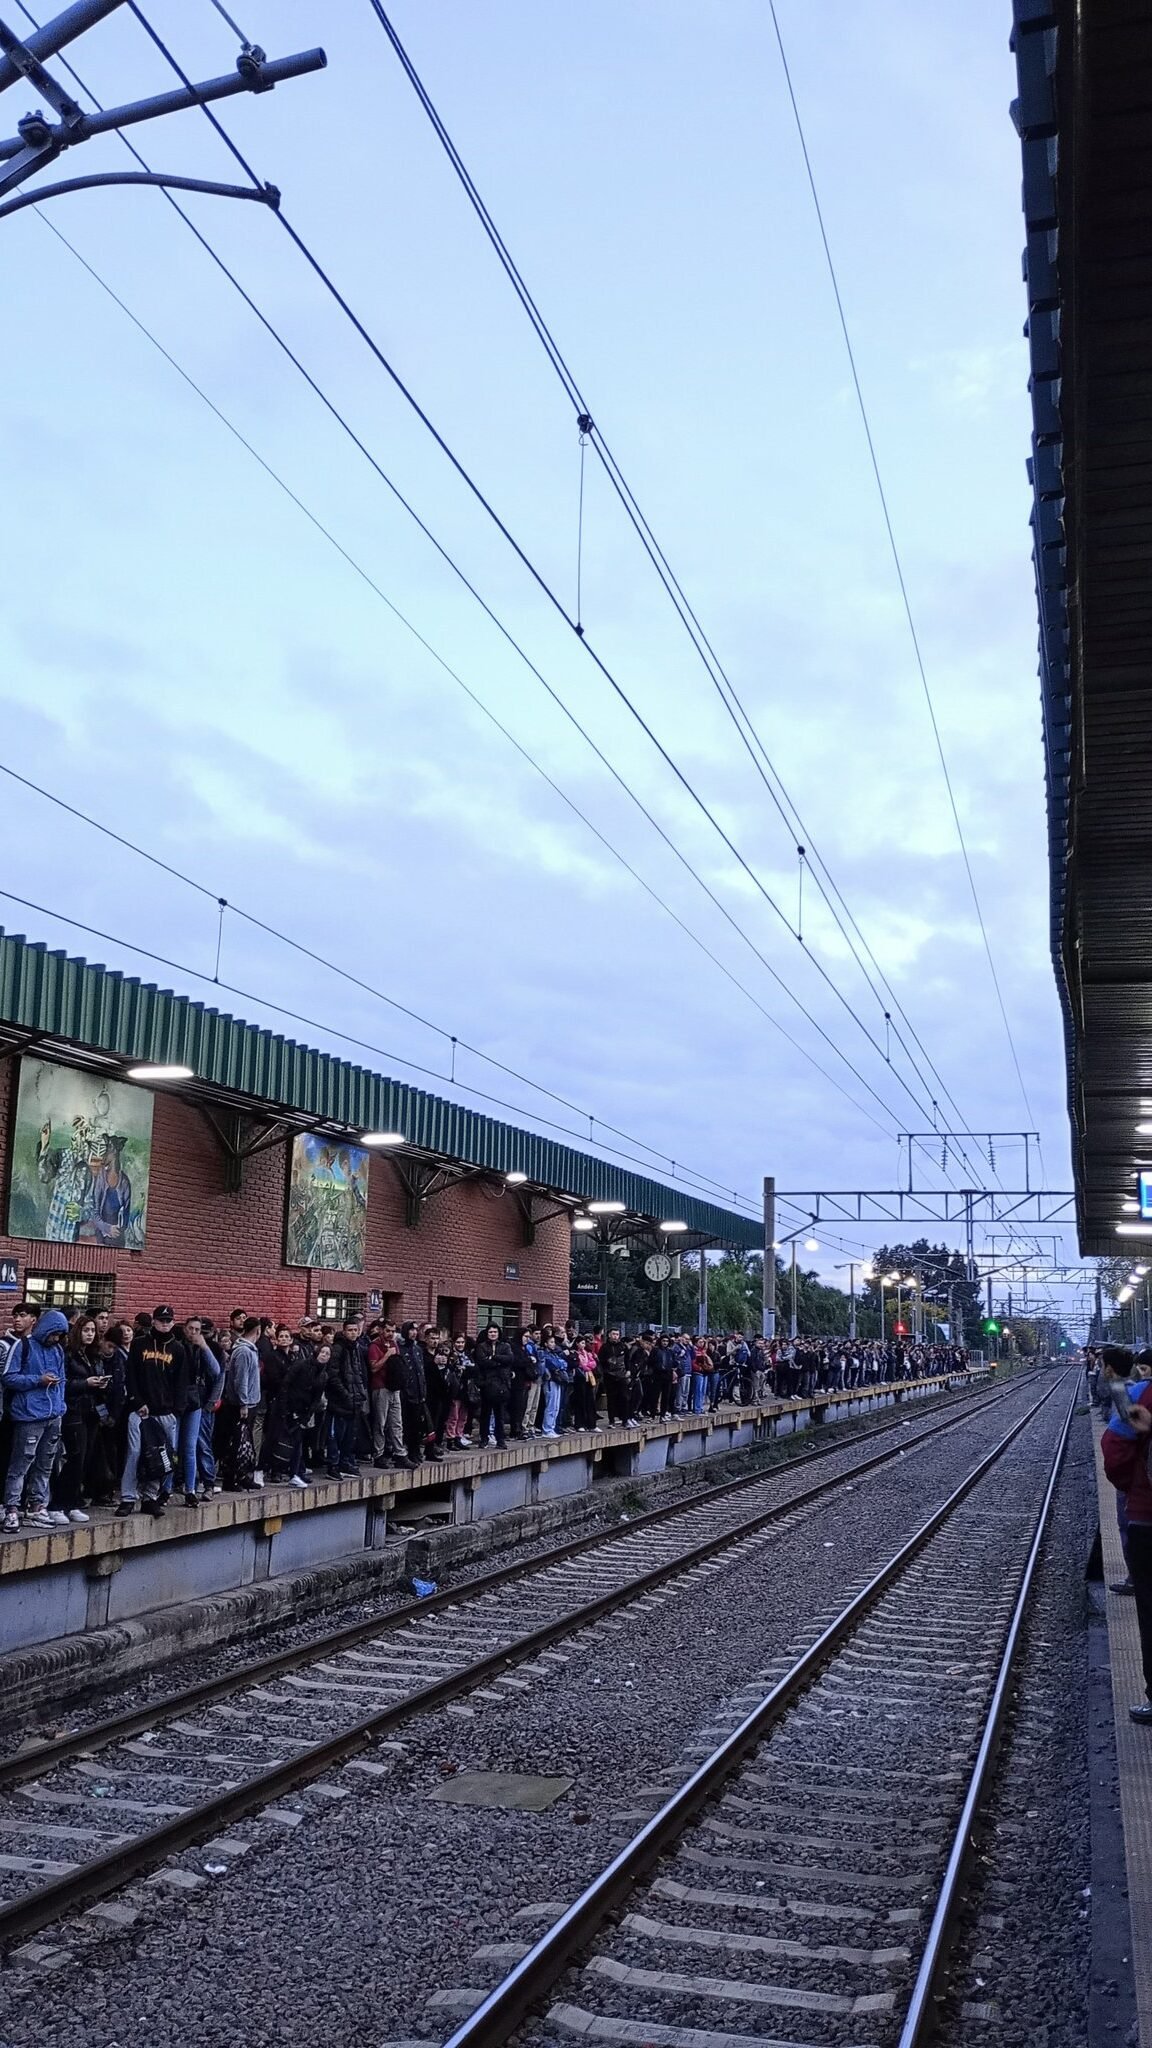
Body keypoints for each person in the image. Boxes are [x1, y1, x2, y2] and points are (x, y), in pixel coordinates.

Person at [118, 1306, 191, 1517]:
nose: (165, 1324)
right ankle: (128, 1497)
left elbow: (181, 1382)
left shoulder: (178, 1348)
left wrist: (177, 1409)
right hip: (140, 1411)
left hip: (165, 1412)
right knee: (134, 1453)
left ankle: (150, 1497)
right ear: (154, 1321)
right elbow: (131, 1375)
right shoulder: (140, 1344)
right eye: (161, 1320)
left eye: (168, 1320)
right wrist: (137, 1401)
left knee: (161, 1457)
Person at [1, 1308, 69, 1531]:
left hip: (53, 1415)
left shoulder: (58, 1350)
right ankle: (11, 1508)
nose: (56, 1338)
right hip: (30, 1416)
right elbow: (9, 1377)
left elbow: (63, 1379)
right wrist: (37, 1380)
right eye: (54, 1334)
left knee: (45, 1464)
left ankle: (36, 1506)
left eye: (60, 1335)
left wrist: (60, 1406)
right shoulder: (24, 1345)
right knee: (20, 1464)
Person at [53, 1316, 104, 1521]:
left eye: (92, 1330)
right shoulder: (69, 1354)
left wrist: (100, 1384)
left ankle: (73, 1502)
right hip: (73, 1411)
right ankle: (57, 1504)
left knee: (84, 1459)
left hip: (90, 1411)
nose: (90, 1334)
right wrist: (86, 1383)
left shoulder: (91, 1355)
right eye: (86, 1330)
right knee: (74, 1458)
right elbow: (64, 1383)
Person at [217, 1315, 262, 1491]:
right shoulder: (244, 1351)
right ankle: (232, 1478)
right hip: (242, 1405)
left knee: (245, 1443)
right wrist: (243, 1403)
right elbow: (240, 1379)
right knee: (237, 1443)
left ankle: (243, 1475)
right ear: (258, 1331)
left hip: (250, 1402)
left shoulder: (249, 1350)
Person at [326, 1316, 369, 1476]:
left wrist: (360, 1393)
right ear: (344, 1331)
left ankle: (346, 1462)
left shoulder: (356, 1348)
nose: (353, 1333)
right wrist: (346, 1394)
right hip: (340, 1400)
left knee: (350, 1435)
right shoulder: (338, 1348)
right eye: (350, 1330)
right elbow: (333, 1375)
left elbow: (359, 1372)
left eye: (355, 1330)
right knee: (336, 1435)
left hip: (355, 1399)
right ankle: (333, 1466)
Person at [473, 1323, 513, 1449]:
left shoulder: (505, 1346)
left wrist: (494, 1357)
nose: (493, 1334)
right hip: (487, 1383)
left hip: (501, 1383)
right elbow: (483, 1362)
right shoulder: (481, 1346)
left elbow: (510, 1359)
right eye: (490, 1332)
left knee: (499, 1413)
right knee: (485, 1413)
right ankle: (484, 1438)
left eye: (495, 1332)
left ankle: (500, 1439)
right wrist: (498, 1363)